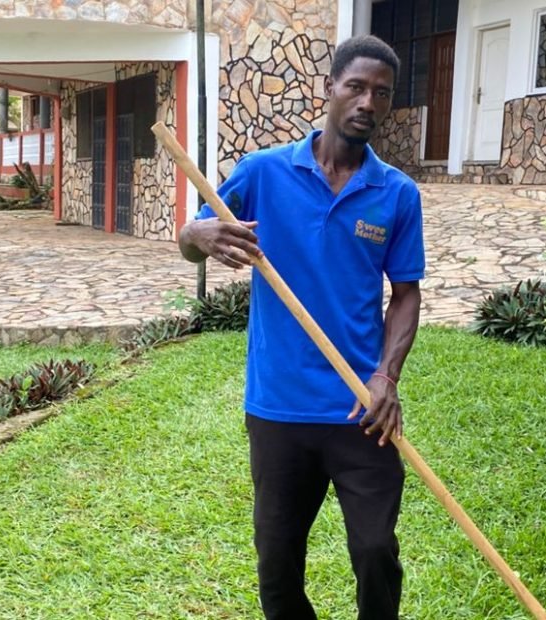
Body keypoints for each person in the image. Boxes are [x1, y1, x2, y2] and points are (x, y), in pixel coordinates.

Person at [177, 34, 425, 620]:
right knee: (277, 560)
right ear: (330, 89)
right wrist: (196, 236)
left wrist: (387, 376)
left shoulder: (396, 193)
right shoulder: (264, 173)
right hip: (279, 408)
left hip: (360, 408)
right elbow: (195, 237)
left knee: (374, 550)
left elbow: (406, 296)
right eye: (357, 87)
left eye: (382, 94)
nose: (368, 102)